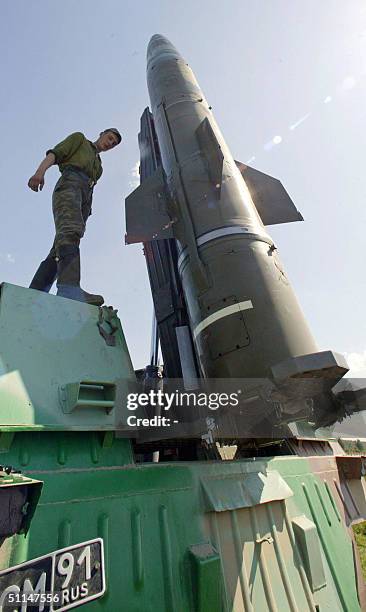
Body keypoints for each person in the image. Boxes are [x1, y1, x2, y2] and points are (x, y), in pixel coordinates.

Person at [28, 128, 122, 306]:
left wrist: (85, 213)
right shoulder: (79, 140)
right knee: (70, 232)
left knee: (61, 246)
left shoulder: (99, 167)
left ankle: (35, 293)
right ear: (102, 134)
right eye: (109, 138)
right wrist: (39, 172)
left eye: (114, 144)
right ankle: (69, 288)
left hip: (84, 200)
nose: (110, 143)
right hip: (70, 184)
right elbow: (55, 154)